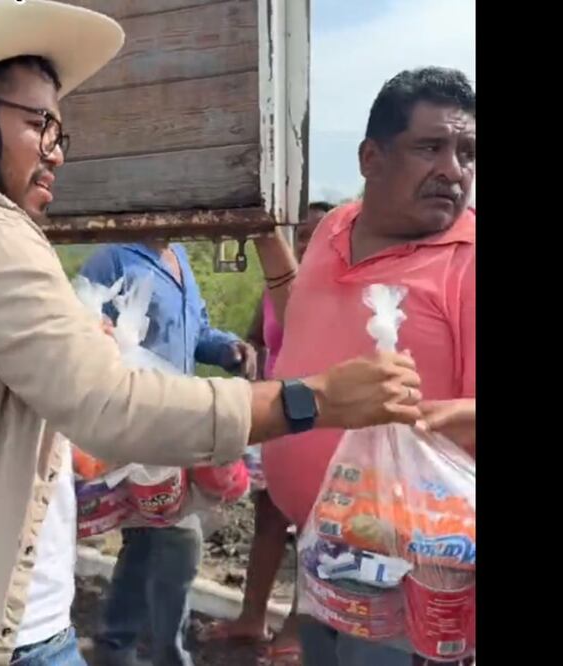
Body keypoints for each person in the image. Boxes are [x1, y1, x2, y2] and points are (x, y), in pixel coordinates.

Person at [0, 2, 426, 665]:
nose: (56, 152)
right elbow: (112, 405)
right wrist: (312, 398)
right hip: (1, 633)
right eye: (39, 124)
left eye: (59, 132)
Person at [263, 67, 477, 666]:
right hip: (321, 552)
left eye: (467, 152)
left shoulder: (467, 263)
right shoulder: (336, 227)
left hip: (411, 581)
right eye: (430, 147)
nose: (454, 170)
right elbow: (308, 324)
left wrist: (427, 421)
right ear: (371, 158)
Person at [77, 241, 256, 666]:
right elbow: (79, 333)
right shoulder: (113, 260)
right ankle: (166, 655)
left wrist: (227, 348)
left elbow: (197, 331)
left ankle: (116, 646)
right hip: (136, 426)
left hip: (175, 427)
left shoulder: (177, 256)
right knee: (180, 541)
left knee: (145, 544)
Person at [198, 201, 332, 665]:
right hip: (276, 419)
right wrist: (250, 355)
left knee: (313, 530)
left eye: (318, 235)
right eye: (301, 235)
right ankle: (251, 618)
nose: (307, 244)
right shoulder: (275, 288)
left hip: (320, 424)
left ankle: (294, 627)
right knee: (269, 522)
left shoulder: (341, 292)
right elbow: (257, 336)